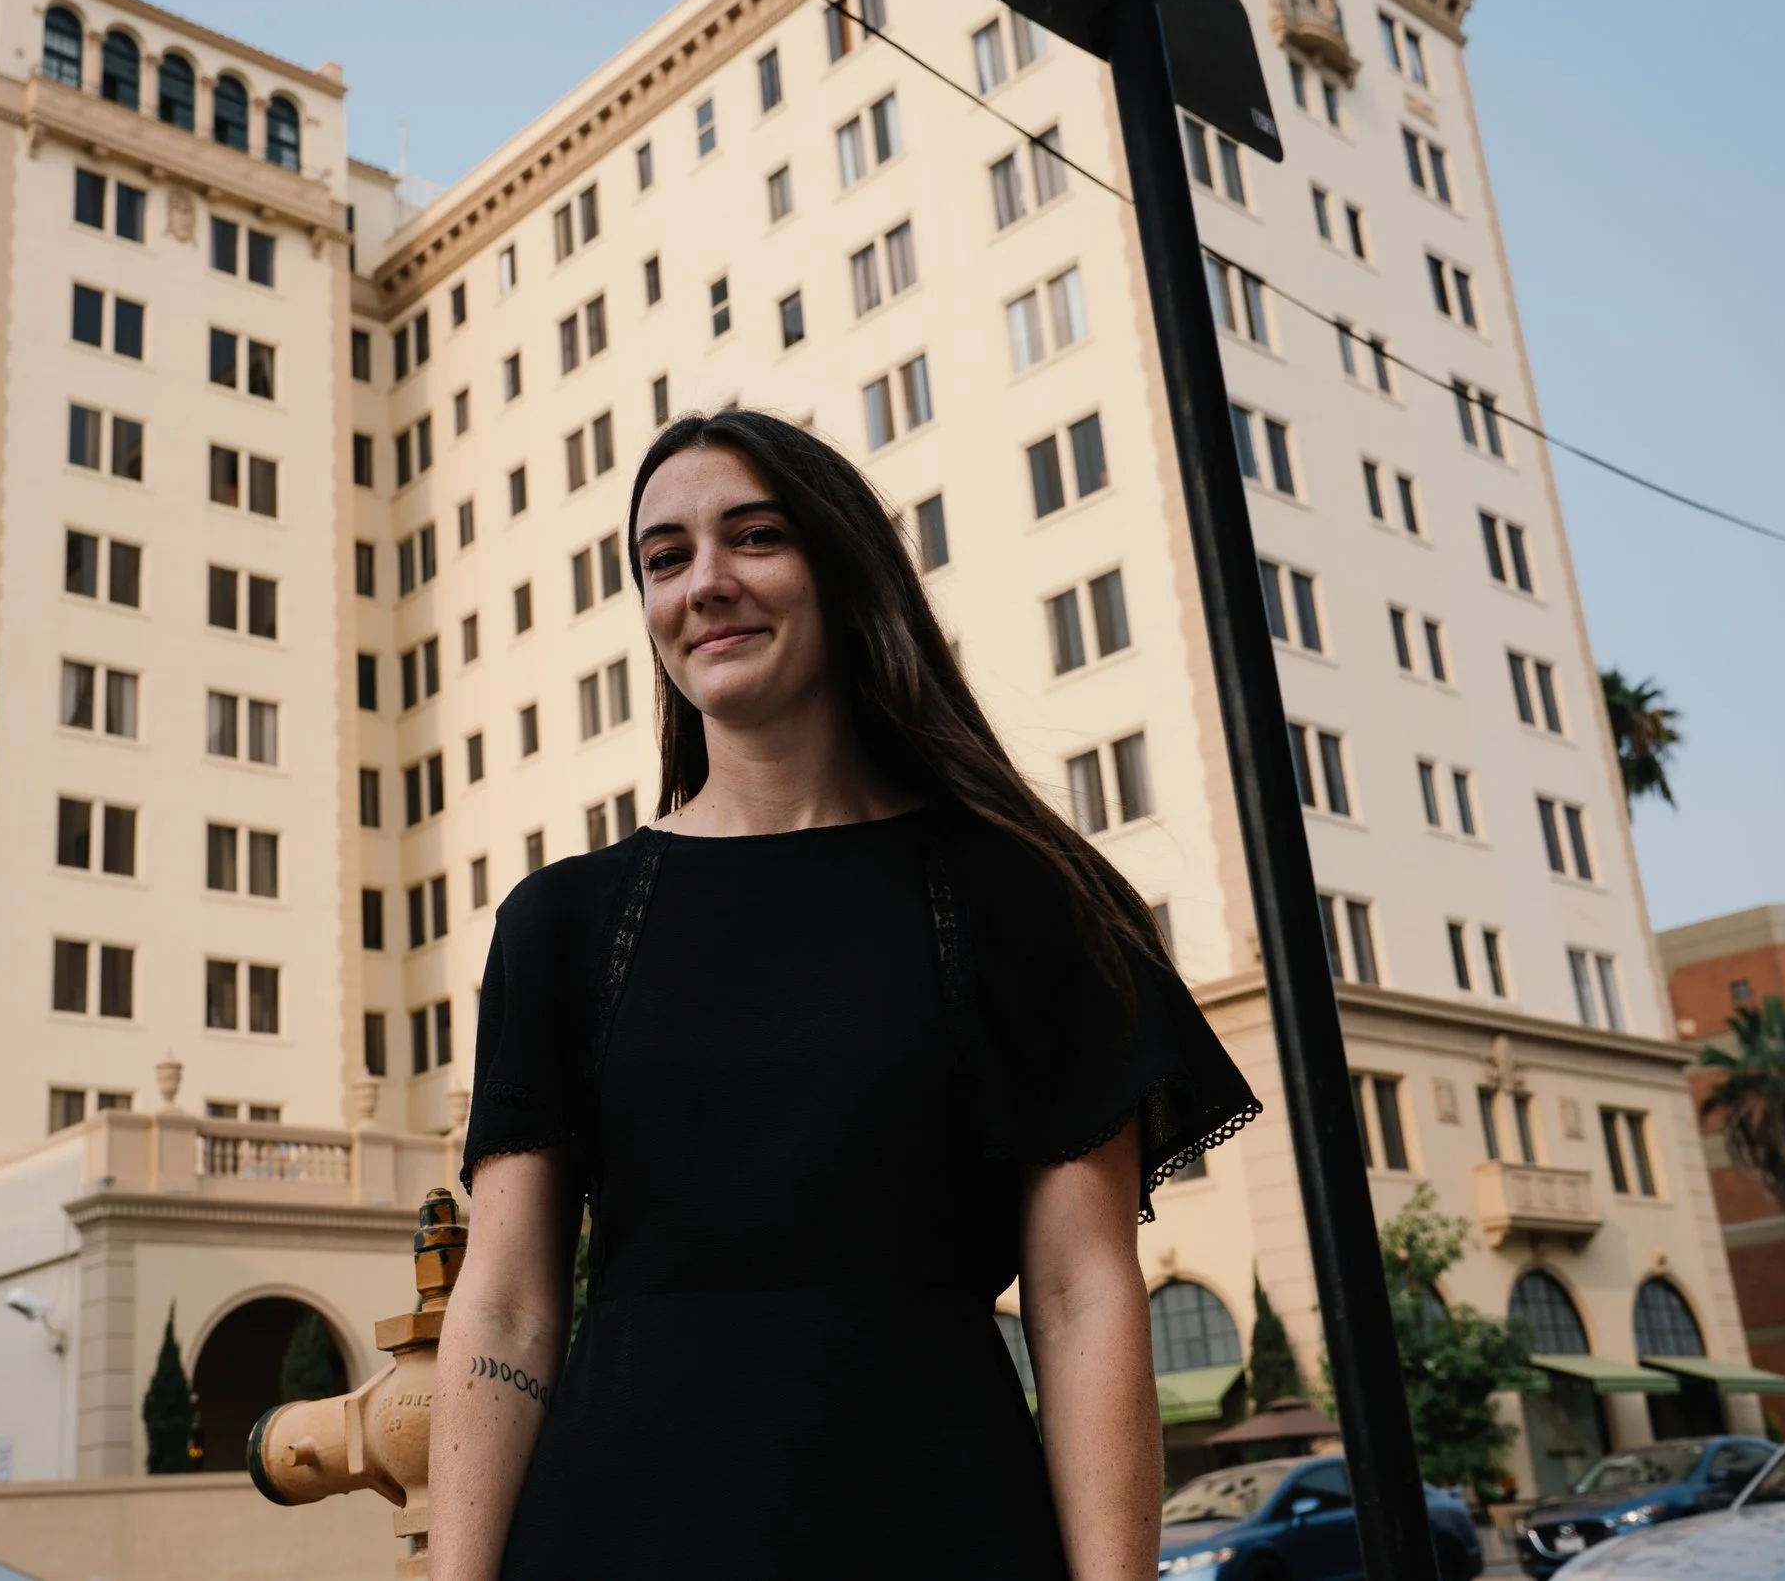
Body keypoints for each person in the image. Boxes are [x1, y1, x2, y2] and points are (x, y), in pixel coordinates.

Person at [429, 411, 1258, 1579]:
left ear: (841, 564)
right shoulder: (560, 923)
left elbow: (1080, 1295)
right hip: (617, 1529)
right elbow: (508, 1304)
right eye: (664, 558)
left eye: (753, 537)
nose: (705, 583)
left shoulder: (1027, 899)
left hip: (938, 1520)